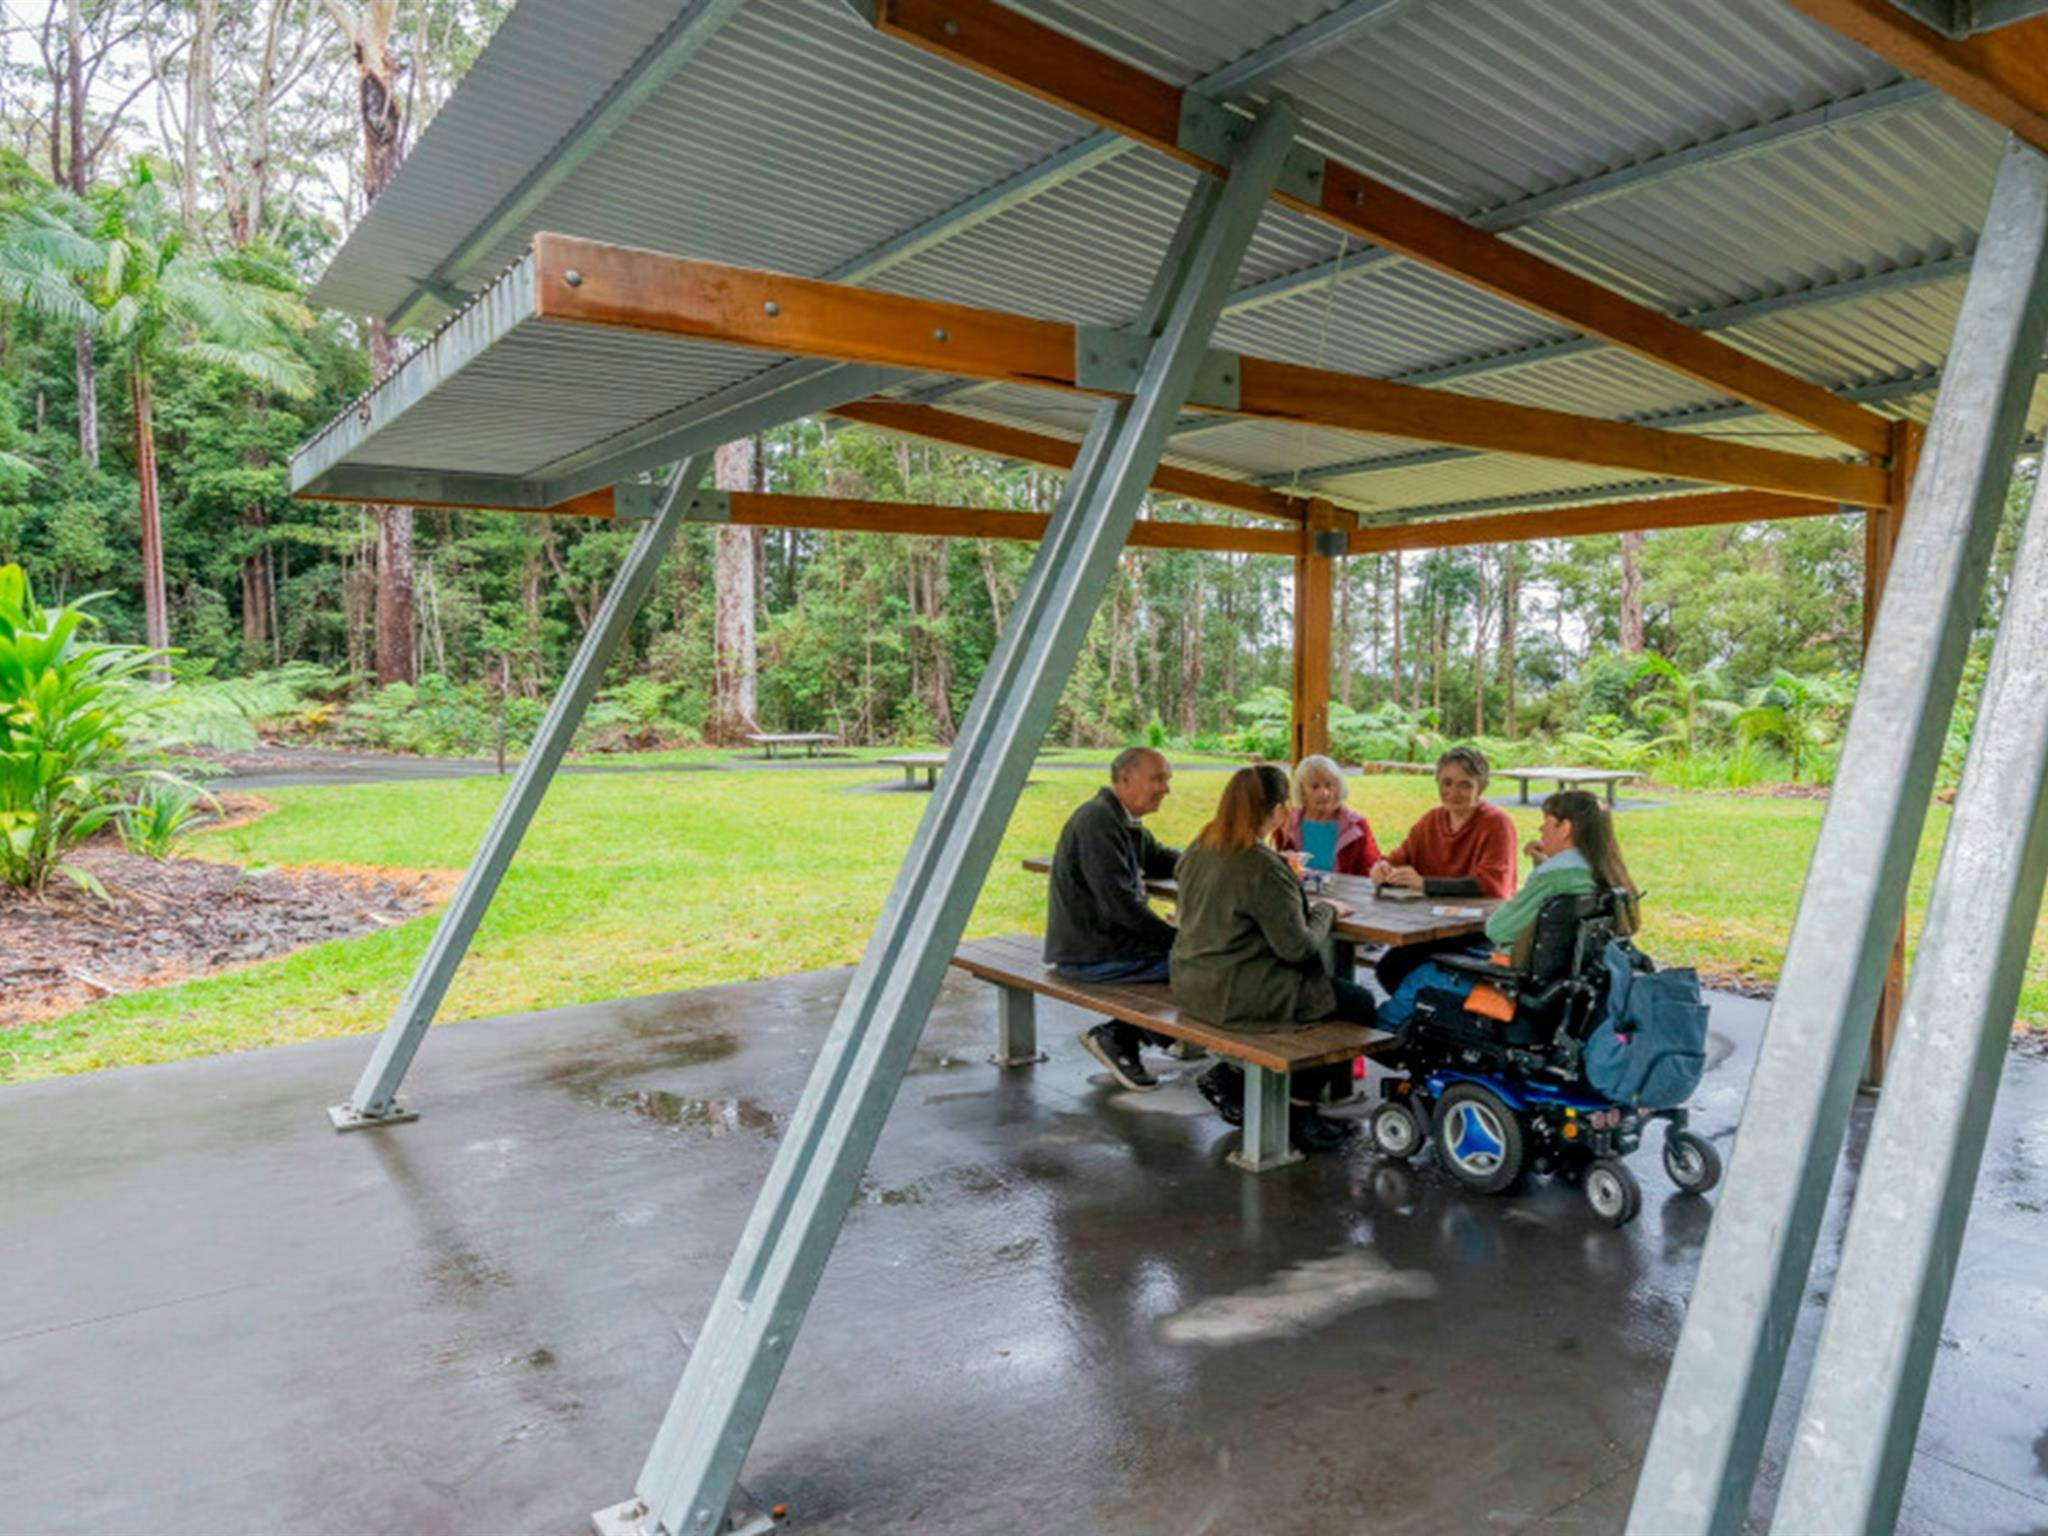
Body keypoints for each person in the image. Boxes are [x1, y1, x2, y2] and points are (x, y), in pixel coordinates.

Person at [1170, 764, 1377, 1151]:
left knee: (1331, 996)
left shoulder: (1199, 847)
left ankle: (1231, 1077)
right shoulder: (1261, 865)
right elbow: (1297, 948)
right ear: (1281, 811)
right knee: (1358, 1004)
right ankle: (1300, 1110)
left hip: (1192, 983)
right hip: (1239, 993)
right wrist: (1325, 911)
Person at [1376, 789, 1637, 1031]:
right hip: (1564, 990)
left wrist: (1541, 876)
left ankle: (1382, 1034)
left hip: (1515, 989)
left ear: (1565, 828)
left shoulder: (1554, 878)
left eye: (1546, 821)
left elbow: (1498, 928)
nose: (1540, 828)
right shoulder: (1606, 875)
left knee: (1420, 975)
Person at [1045, 746, 1182, 1092]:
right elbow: (1120, 908)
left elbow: (1163, 858)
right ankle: (1118, 1036)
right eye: (1158, 779)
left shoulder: (1121, 821)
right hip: (1092, 954)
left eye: (1166, 780)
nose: (1166, 789)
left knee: (1202, 960)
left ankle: (1150, 1034)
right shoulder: (1098, 823)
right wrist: (1179, 941)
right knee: (1205, 965)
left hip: (1105, 946)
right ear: (1125, 779)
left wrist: (1215, 862)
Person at [1368, 745, 1519, 996]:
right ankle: (1417, 1019)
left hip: (1478, 930)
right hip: (1430, 925)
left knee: (1395, 968)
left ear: (1480, 788)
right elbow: (1397, 858)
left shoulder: (1496, 824)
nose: (1453, 792)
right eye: (1446, 782)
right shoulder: (1431, 820)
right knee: (1390, 968)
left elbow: (1491, 884)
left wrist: (1425, 884)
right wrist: (1382, 868)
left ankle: (1424, 1021)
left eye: (1465, 785)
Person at [1271, 753, 1380, 876]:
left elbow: (1371, 872)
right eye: (1315, 787)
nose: (1324, 793)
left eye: (1329, 785)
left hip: (1346, 894)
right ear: (1302, 791)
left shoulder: (1356, 826)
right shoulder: (1287, 824)